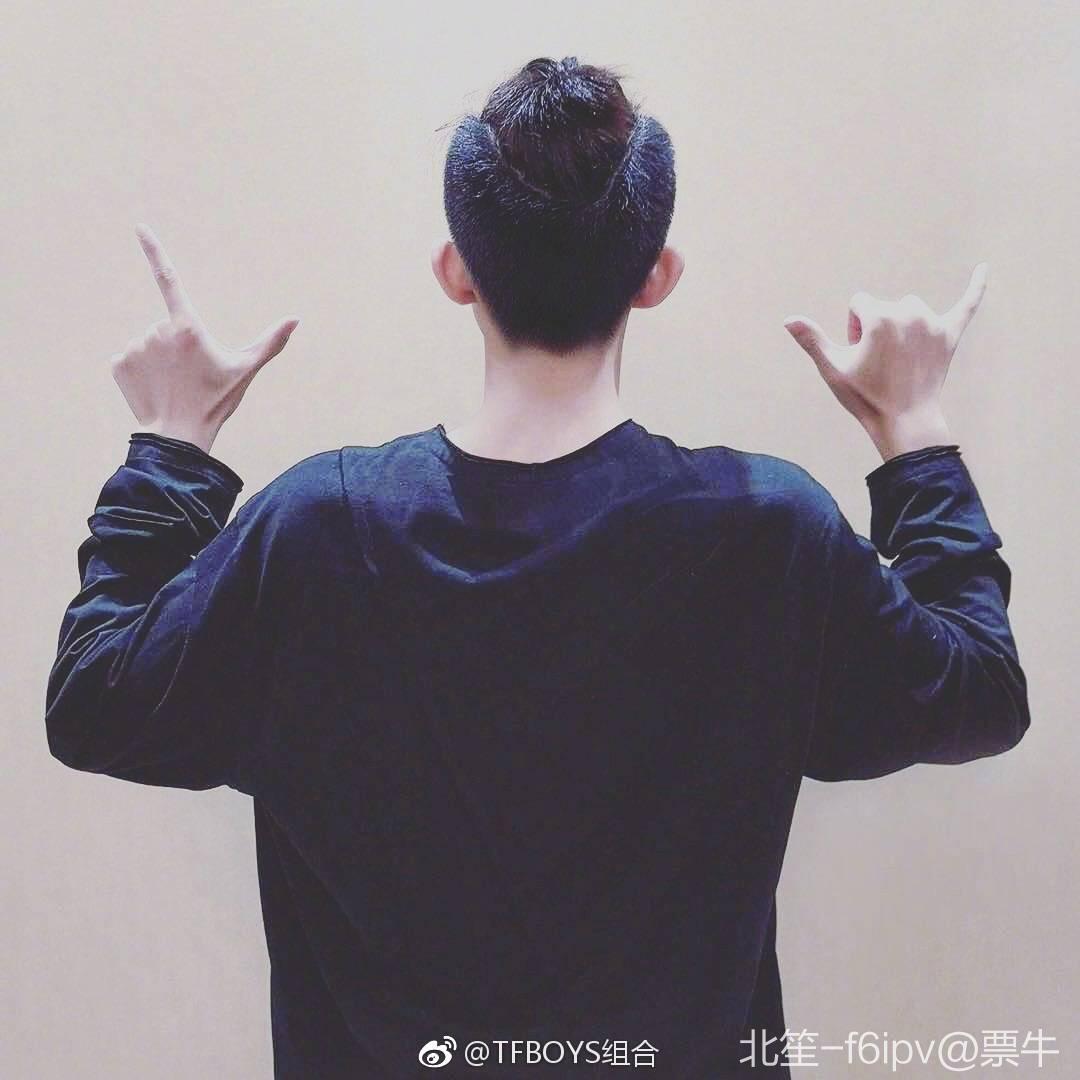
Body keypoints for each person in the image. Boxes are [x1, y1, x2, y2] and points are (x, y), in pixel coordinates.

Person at [46, 56, 1029, 1079]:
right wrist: (915, 434)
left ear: (456, 271)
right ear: (656, 276)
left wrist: (170, 449)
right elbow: (980, 693)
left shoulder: (318, 529)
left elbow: (94, 703)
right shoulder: (766, 529)